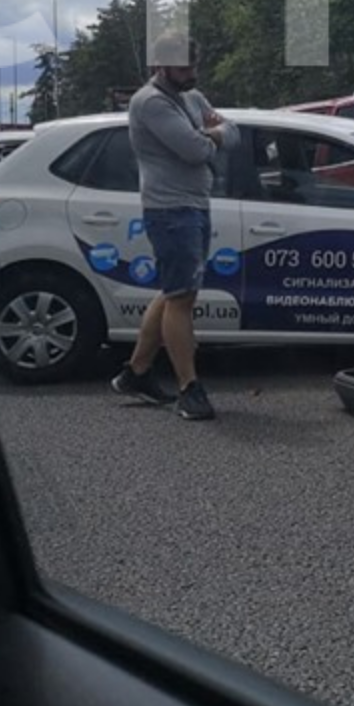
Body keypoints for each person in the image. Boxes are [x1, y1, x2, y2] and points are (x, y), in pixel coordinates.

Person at [114, 34, 231, 421]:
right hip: (170, 210)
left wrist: (214, 133)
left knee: (175, 291)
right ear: (161, 66)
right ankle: (189, 389)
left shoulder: (191, 97)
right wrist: (213, 134)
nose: (192, 74)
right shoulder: (150, 102)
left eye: (195, 66)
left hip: (195, 204)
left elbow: (234, 132)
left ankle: (136, 372)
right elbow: (196, 150)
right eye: (184, 68)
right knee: (182, 298)